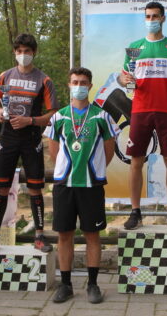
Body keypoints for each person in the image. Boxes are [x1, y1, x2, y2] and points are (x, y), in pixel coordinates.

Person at [44, 67, 119, 304]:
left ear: (90, 85)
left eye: (83, 82)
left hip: (91, 184)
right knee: (64, 235)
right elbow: (53, 151)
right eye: (75, 82)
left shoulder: (101, 116)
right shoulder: (58, 117)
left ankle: (93, 284)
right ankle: (65, 285)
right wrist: (67, 169)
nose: (79, 86)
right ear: (69, 85)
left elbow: (109, 149)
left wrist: (94, 168)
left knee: (92, 235)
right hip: (65, 184)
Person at [0, 33, 59, 253]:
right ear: (14, 52)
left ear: (34, 52)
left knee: (35, 188)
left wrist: (30, 120)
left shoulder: (44, 80)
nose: (23, 55)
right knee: (1, 188)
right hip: (8, 137)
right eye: (19, 51)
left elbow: (53, 114)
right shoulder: (4, 76)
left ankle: (40, 236)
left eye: (27, 51)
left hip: (31, 138)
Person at [118, 1, 167, 230]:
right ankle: (135, 212)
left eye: (155, 16)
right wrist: (125, 80)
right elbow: (124, 78)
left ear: (163, 18)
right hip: (140, 111)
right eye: (148, 16)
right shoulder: (134, 48)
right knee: (136, 161)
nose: (151, 20)